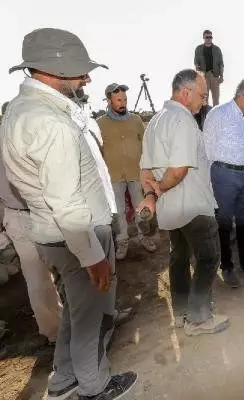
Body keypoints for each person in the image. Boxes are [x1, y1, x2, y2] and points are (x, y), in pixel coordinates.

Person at [2, 28, 136, 400]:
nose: (88, 78)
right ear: (53, 70)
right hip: (78, 235)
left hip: (57, 234)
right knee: (94, 317)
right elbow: (66, 203)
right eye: (80, 71)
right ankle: (95, 388)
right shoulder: (50, 123)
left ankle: (63, 380)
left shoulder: (26, 110)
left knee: (76, 316)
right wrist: (93, 256)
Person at [138, 69, 228, 335]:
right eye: (201, 95)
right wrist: (162, 188)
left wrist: (153, 193)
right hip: (193, 205)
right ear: (186, 92)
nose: (203, 100)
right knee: (209, 258)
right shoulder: (183, 120)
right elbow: (178, 171)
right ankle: (198, 320)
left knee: (178, 258)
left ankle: (180, 314)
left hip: (170, 211)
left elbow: (144, 170)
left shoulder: (155, 121)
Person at [0, 102, 62, 344]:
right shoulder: (26, 141)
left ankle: (55, 331)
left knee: (37, 278)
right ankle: (71, 326)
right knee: (65, 269)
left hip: (16, 217)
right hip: (37, 213)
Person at [203, 78, 244, 288]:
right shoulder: (218, 114)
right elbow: (207, 148)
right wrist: (214, 177)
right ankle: (227, 266)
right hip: (225, 175)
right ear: (241, 96)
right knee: (224, 222)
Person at [97, 83, 157, 260]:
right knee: (118, 211)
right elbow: (98, 151)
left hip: (136, 173)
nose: (123, 103)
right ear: (109, 100)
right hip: (113, 175)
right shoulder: (100, 123)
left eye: (124, 99)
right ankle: (122, 241)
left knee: (142, 208)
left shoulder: (136, 120)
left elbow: (146, 144)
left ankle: (143, 237)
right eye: (118, 100)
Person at [194, 29, 224, 106]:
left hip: (215, 76)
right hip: (204, 76)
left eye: (210, 37)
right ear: (203, 38)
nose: (209, 38)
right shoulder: (198, 49)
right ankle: (205, 117)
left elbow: (221, 64)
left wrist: (221, 76)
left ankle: (216, 117)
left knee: (216, 99)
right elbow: (196, 64)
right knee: (204, 99)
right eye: (207, 37)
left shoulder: (217, 49)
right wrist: (199, 77)